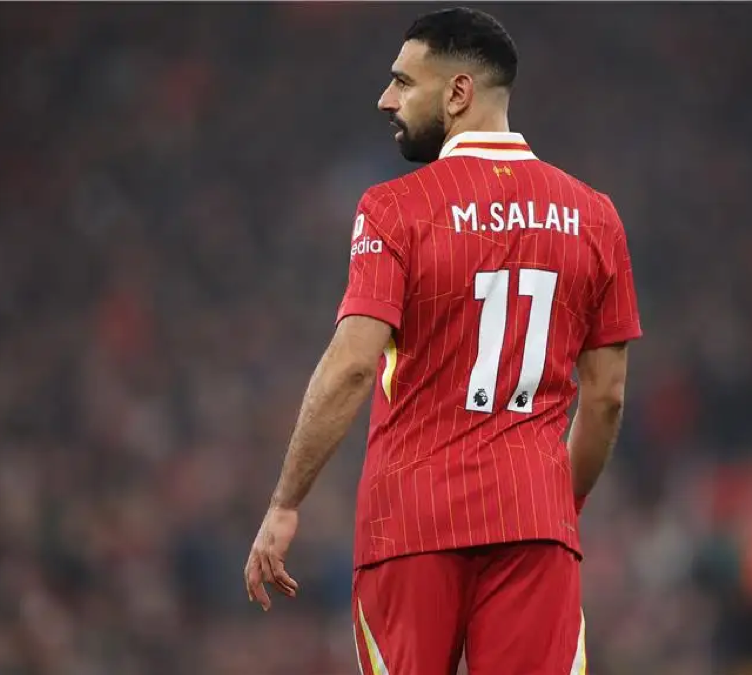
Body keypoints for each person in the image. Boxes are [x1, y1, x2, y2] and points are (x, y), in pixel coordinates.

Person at [244, 7, 642, 673]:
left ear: (458, 92)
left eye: (403, 82)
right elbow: (606, 399)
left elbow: (352, 365)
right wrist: (552, 505)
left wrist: (285, 503)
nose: (386, 99)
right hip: (534, 524)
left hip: (408, 523)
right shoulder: (595, 216)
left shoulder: (393, 210)